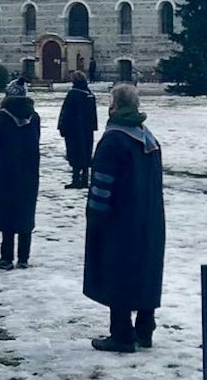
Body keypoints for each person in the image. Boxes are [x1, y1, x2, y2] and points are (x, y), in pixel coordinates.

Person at [84, 84, 166, 353]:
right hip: (150, 218)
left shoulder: (114, 140)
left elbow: (102, 184)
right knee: (144, 270)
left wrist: (95, 216)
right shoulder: (149, 138)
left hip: (120, 220)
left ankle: (121, 334)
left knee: (117, 270)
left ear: (115, 106)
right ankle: (145, 329)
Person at [0, 79, 41, 270]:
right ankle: (24, 257)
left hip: (5, 171)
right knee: (25, 211)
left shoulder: (3, 117)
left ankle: (6, 257)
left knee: (7, 212)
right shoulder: (35, 117)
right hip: (29, 170)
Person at [58, 71, 99, 190]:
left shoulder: (73, 94)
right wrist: (92, 126)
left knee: (75, 153)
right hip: (87, 129)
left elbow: (66, 112)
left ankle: (76, 179)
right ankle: (85, 179)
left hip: (74, 129)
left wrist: (62, 127)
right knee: (85, 153)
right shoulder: (89, 94)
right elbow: (93, 114)